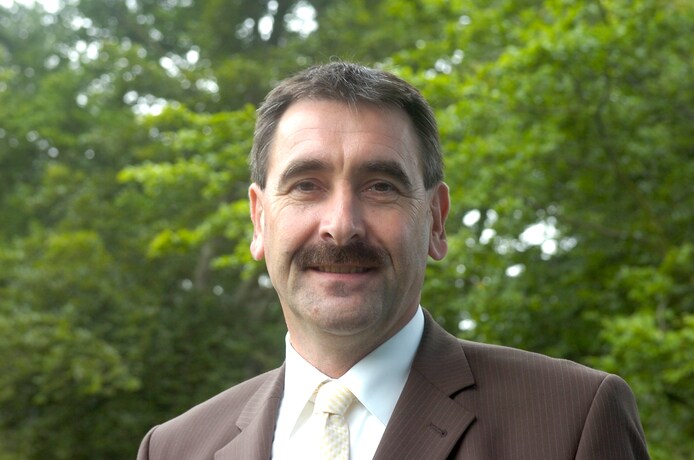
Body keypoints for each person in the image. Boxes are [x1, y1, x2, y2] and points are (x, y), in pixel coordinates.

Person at [137, 62, 649, 459]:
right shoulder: (173, 449)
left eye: (381, 186)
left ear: (436, 221)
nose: (341, 224)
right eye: (306, 185)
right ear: (259, 220)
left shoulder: (574, 420)